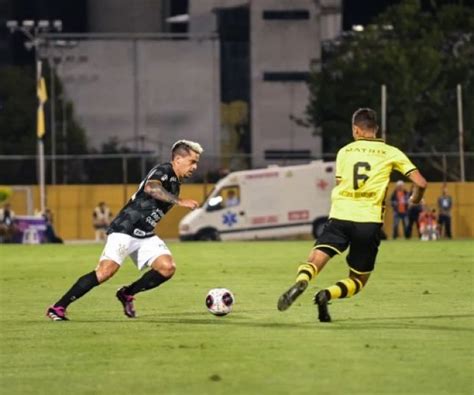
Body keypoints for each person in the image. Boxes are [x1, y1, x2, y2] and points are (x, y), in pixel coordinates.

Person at [277, 108, 427, 322]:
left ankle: (303, 280)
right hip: (369, 221)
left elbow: (340, 183)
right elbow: (421, 182)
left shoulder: (345, 151)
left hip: (340, 216)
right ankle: (326, 295)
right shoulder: (391, 152)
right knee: (358, 280)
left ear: (356, 129)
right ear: (375, 129)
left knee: (315, 259)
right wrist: (414, 198)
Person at [46, 140, 203, 321]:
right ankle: (58, 307)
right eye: (192, 161)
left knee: (167, 268)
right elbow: (151, 188)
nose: (195, 166)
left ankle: (127, 293)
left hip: (145, 234)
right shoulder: (165, 170)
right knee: (105, 272)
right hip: (125, 229)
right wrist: (179, 201)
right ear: (177, 159)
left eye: (196, 162)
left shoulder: (176, 182)